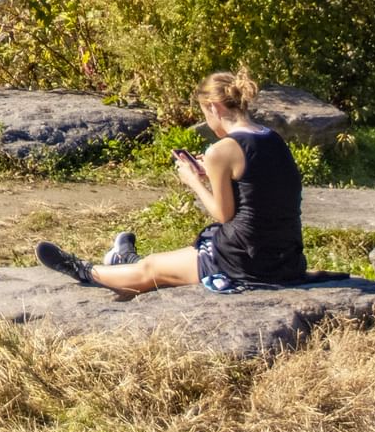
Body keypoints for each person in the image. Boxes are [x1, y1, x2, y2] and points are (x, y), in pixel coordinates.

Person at [34, 69, 307, 295]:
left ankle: (83, 270)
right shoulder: (271, 137)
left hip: (246, 259)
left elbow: (224, 214)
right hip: (286, 255)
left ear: (213, 106)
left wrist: (194, 181)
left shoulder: (222, 150)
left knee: (151, 270)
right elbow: (259, 189)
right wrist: (210, 172)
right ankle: (124, 258)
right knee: (168, 263)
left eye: (205, 113)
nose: (208, 122)